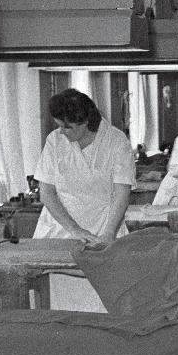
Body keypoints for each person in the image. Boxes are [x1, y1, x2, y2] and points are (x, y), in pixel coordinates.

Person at [33, 88, 134, 243]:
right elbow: (46, 193)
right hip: (59, 229)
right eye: (59, 125)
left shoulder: (116, 141)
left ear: (86, 122)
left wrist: (109, 233)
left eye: (67, 127)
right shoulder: (54, 141)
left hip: (103, 228)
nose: (61, 132)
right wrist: (74, 229)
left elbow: (122, 195)